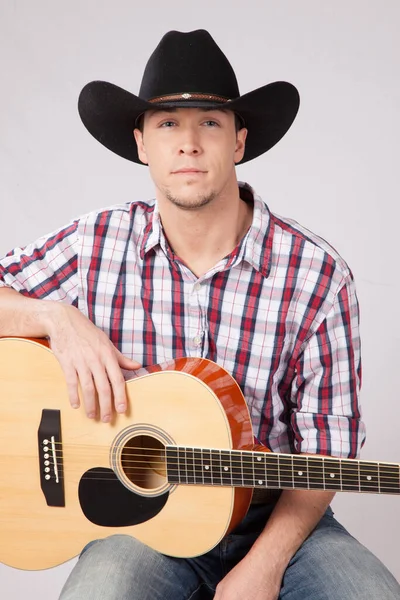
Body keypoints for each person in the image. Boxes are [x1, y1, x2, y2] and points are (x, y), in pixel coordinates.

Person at [0, 29, 398, 600]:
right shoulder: (95, 244)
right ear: (141, 144)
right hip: (138, 526)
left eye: (209, 122)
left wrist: (265, 565)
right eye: (167, 124)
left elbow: (326, 451)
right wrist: (56, 318)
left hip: (276, 521)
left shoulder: (317, 276)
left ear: (238, 140)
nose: (187, 144)